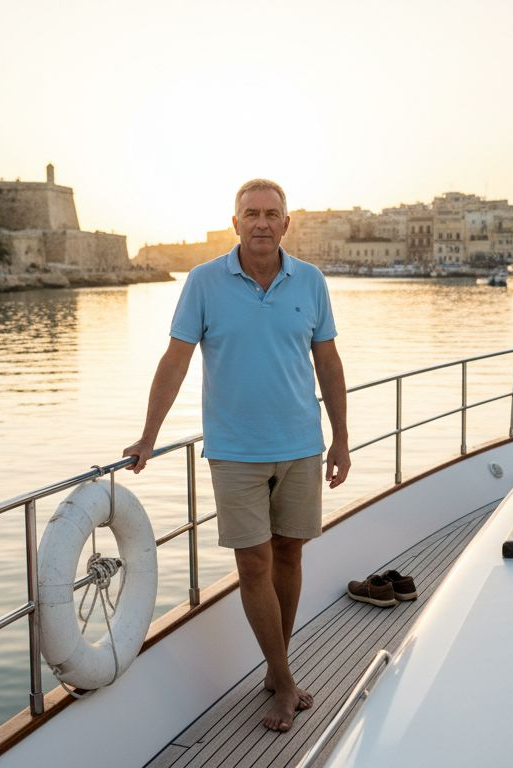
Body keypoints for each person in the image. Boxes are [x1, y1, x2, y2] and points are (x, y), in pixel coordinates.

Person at [124, 179, 350, 733]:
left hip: (301, 446)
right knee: (253, 564)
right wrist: (148, 435)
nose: (262, 223)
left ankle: (278, 671)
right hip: (234, 453)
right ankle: (283, 678)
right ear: (235, 222)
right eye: (251, 213)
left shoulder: (311, 281)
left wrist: (342, 439)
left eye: (272, 214)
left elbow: (330, 363)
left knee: (290, 557)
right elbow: (175, 360)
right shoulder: (203, 282)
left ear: (286, 224)